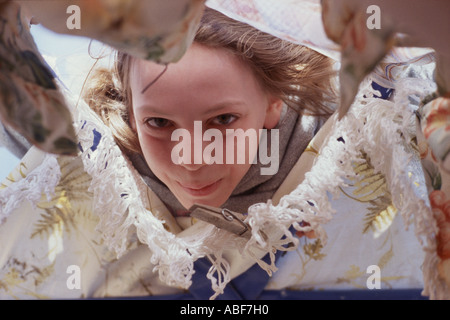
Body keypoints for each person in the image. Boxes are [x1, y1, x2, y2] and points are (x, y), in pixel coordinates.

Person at [0, 6, 426, 300]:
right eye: (159, 123)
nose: (191, 159)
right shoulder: (86, 159)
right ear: (129, 111)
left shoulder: (367, 137)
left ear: (274, 103)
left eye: (223, 120)